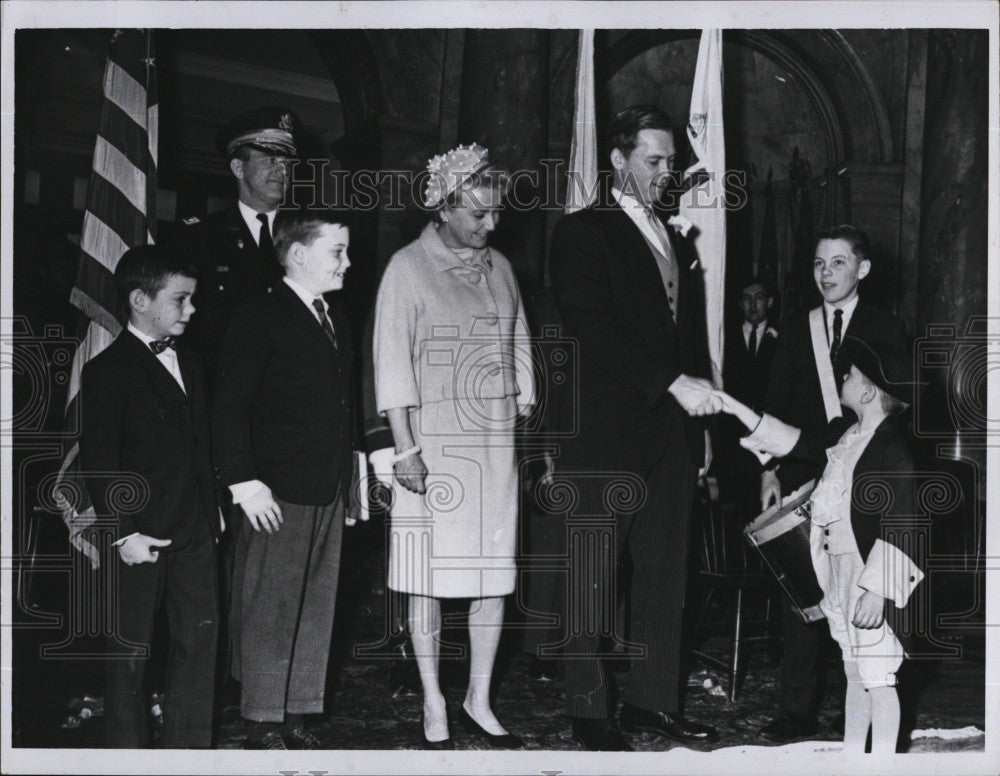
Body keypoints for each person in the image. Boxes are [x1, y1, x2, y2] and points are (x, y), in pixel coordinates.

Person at [548, 105, 720, 751]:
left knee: (664, 574)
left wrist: (699, 429)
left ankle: (653, 702)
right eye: (654, 160)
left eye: (672, 160)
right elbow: (590, 328)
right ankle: (590, 710)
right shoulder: (582, 233)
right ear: (618, 161)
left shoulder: (676, 240)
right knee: (593, 573)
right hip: (606, 431)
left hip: (671, 435)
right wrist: (668, 384)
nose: (667, 171)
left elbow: (689, 342)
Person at [373, 144, 535, 749]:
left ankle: (479, 696)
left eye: (496, 215)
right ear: (444, 207)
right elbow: (391, 363)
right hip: (435, 448)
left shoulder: (500, 266)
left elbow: (518, 330)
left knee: (494, 578)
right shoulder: (406, 268)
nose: (491, 226)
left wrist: (525, 387)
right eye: (479, 216)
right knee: (428, 579)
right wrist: (404, 449)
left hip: (494, 446)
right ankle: (433, 699)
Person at [715, 334, 924, 754]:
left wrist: (878, 591)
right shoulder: (845, 434)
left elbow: (904, 523)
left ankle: (881, 762)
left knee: (879, 677)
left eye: (849, 373)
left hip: (870, 577)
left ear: (865, 391)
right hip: (842, 571)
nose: (841, 376)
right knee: (852, 670)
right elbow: (790, 440)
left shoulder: (893, 451)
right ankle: (852, 754)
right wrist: (733, 405)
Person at [758, 224, 909, 741]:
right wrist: (770, 470)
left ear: (862, 268)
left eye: (838, 263)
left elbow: (893, 412)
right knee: (804, 592)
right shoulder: (797, 327)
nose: (827, 273)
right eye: (819, 263)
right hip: (804, 474)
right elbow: (775, 401)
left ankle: (866, 702)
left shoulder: (886, 326)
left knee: (860, 597)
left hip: (862, 471)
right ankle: (796, 708)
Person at [211, 207, 355, 750]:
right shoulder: (261, 313)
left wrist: (353, 473)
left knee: (316, 603)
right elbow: (230, 407)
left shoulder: (334, 316)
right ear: (298, 255)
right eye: (337, 252)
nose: (347, 263)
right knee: (270, 604)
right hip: (276, 489)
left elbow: (340, 405)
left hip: (326, 483)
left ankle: (297, 712)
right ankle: (263, 719)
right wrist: (245, 485)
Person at [79, 246, 219, 748]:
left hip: (196, 529)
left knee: (198, 649)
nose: (191, 310)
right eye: (180, 300)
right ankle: (126, 758)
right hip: (139, 534)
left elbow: (201, 443)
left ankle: (189, 755)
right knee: (129, 658)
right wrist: (124, 534)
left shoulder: (194, 362)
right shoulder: (106, 372)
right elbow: (100, 464)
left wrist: (212, 513)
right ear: (140, 300)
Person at [179, 106, 300, 371]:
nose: (282, 170)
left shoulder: (308, 236)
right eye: (270, 159)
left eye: (287, 162)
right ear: (238, 167)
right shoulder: (201, 238)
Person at [719, 276, 778, 518]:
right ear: (739, 304)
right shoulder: (725, 339)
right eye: (746, 299)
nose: (753, 304)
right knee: (731, 512)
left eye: (759, 297)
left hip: (767, 441)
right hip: (730, 444)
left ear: (770, 302)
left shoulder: (782, 340)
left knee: (763, 511)